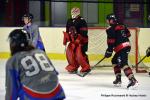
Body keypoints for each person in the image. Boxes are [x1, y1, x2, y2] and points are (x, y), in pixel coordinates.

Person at [5, 29, 65, 100]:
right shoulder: (41, 53)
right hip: (57, 94)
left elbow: (12, 91)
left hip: (35, 97)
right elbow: (54, 73)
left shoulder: (13, 60)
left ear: (13, 43)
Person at [104, 14, 138, 88]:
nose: (107, 21)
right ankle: (118, 79)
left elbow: (111, 41)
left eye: (107, 19)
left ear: (111, 20)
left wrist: (109, 51)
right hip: (127, 46)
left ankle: (133, 80)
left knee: (123, 63)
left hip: (121, 47)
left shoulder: (109, 29)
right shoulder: (122, 25)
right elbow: (128, 34)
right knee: (114, 61)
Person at [63, 7, 91, 74]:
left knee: (80, 55)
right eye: (73, 12)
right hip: (72, 41)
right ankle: (73, 67)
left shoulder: (82, 20)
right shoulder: (69, 20)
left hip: (81, 41)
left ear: (78, 13)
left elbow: (84, 32)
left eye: (75, 12)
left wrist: (78, 38)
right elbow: (67, 31)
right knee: (70, 54)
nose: (73, 13)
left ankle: (86, 67)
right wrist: (66, 38)